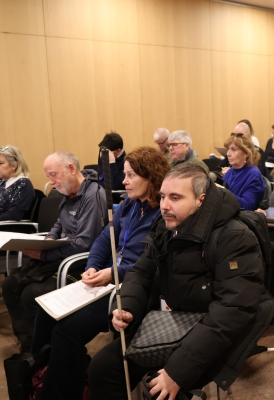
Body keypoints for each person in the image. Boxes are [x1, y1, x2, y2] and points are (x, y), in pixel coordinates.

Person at [88, 163, 270, 400]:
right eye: (163, 196)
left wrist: (177, 372)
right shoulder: (166, 226)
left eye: (175, 197)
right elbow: (141, 272)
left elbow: (232, 310)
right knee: (103, 369)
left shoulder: (234, 236)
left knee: (160, 391)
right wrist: (128, 307)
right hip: (178, 321)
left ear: (200, 200)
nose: (164, 205)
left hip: (221, 330)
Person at [29, 147, 170, 399]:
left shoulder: (163, 212)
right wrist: (92, 266)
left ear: (151, 176)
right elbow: (104, 239)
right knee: (46, 312)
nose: (123, 181)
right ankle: (43, 373)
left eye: (131, 175)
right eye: (124, 174)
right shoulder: (130, 205)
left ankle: (58, 391)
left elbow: (152, 265)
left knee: (67, 331)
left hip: (134, 287)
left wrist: (113, 273)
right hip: (109, 278)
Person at [2, 152, 107, 353]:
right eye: (48, 176)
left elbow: (84, 244)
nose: (51, 182)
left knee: (31, 294)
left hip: (77, 263)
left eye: (53, 175)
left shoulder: (93, 195)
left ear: (71, 169)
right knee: (10, 284)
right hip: (58, 255)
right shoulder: (68, 192)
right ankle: (30, 346)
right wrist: (50, 238)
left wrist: (44, 254)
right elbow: (60, 223)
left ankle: (44, 352)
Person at [222, 133, 265, 210]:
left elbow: (248, 206)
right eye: (228, 149)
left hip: (241, 215)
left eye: (233, 150)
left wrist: (223, 193)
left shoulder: (253, 174)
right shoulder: (231, 171)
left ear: (246, 153)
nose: (228, 154)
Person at [0, 145, 35, 221]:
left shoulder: (23, 183)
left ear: (14, 165)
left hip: (10, 226)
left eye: (0, 163)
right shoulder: (1, 182)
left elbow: (15, 214)